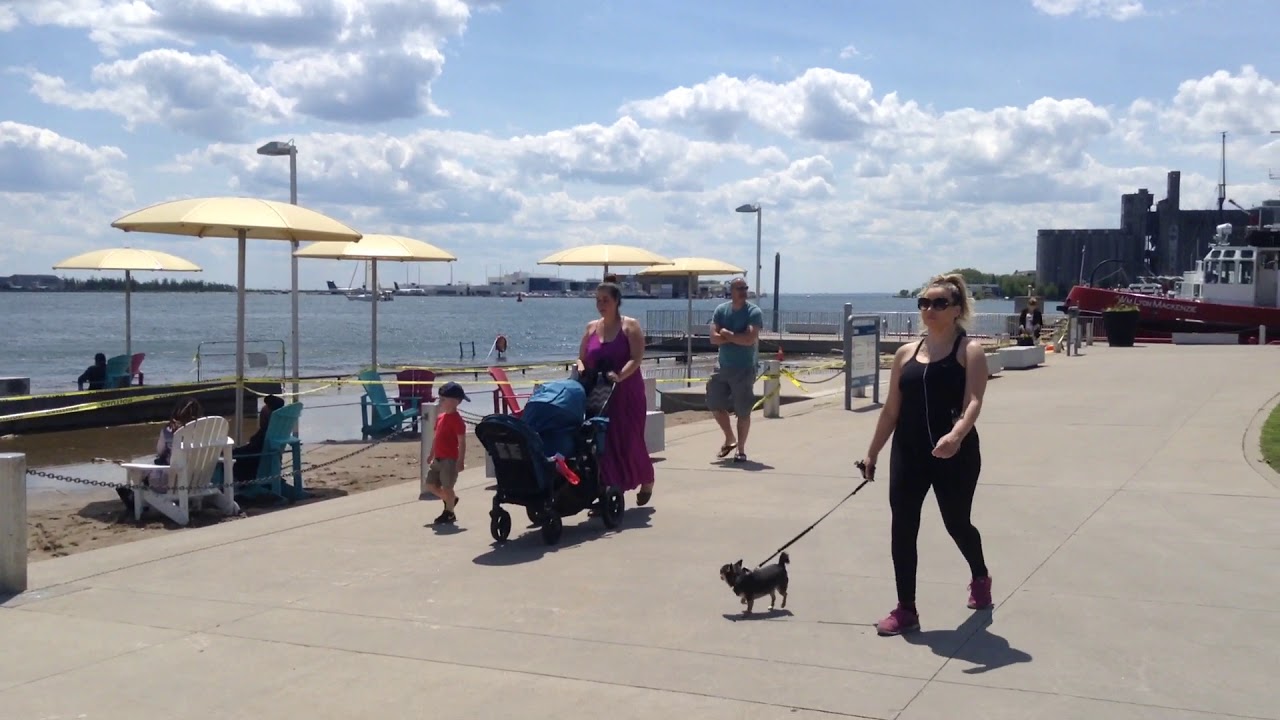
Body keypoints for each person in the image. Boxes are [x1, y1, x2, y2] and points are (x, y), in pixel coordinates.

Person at [860, 273, 993, 636]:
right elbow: (891, 411)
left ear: (956, 310)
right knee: (902, 528)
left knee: (957, 523)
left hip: (956, 454)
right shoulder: (905, 354)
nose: (929, 310)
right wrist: (872, 453)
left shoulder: (969, 351)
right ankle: (907, 609)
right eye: (924, 303)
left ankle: (980, 576)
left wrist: (956, 436)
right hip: (909, 452)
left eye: (938, 303)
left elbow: (974, 402)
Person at [577, 276, 656, 505]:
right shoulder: (591, 327)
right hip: (599, 393)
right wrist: (581, 369)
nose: (601, 305)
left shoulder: (630, 326)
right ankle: (610, 489)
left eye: (606, 300)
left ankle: (646, 478)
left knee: (629, 440)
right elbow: (581, 358)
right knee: (603, 442)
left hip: (626, 391)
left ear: (616, 301)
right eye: (598, 300)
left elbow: (636, 358)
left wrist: (619, 376)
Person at [706, 277, 763, 462]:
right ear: (731, 290)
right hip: (722, 366)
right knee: (714, 402)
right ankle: (729, 437)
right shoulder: (721, 310)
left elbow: (750, 339)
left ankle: (741, 449)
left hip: (744, 368)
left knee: (743, 410)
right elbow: (713, 339)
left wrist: (727, 334)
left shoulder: (753, 312)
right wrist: (736, 337)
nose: (743, 291)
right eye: (739, 288)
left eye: (745, 288)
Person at [116, 397, 204, 507]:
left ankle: (137, 500)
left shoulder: (169, 432)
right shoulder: (205, 432)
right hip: (198, 481)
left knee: (142, 472)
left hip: (169, 483)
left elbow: (160, 452)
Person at [425, 381, 469, 524]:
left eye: (444, 399)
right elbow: (436, 437)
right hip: (438, 459)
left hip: (449, 460)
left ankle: (449, 512)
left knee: (447, 487)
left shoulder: (457, 421)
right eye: (440, 399)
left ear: (456, 402)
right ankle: (450, 500)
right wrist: (431, 454)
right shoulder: (440, 418)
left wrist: (460, 461)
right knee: (430, 485)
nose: (441, 402)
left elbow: (461, 442)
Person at [233, 395, 286, 483]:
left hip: (254, 466)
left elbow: (251, 450)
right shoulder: (277, 430)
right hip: (268, 463)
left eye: (262, 414)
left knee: (224, 459)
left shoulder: (264, 434)